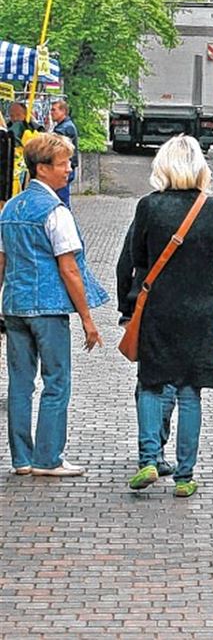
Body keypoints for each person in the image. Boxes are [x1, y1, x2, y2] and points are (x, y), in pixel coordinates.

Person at [0, 133, 107, 477]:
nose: (69, 170)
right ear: (42, 168)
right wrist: (87, 318)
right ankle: (48, 458)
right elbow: (69, 268)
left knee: (20, 383)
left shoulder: (10, 208)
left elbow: (1, 261)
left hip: (14, 305)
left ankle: (21, 459)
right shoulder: (55, 212)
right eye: (63, 164)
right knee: (56, 382)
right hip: (47, 308)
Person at [124, 135, 213, 497]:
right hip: (201, 312)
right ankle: (185, 477)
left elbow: (138, 256)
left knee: (152, 385)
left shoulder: (148, 206)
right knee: (190, 393)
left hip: (159, 310)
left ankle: (149, 459)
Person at [116, 223, 175, 478]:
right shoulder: (205, 211)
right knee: (171, 384)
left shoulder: (148, 211)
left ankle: (149, 451)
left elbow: (124, 265)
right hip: (186, 311)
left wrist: (126, 309)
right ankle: (157, 448)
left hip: (147, 306)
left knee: (148, 381)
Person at [50, 100, 78, 208]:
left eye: (54, 110)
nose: (51, 113)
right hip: (65, 167)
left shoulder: (65, 128)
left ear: (63, 111)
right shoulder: (64, 126)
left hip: (64, 168)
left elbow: (57, 147)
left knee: (62, 200)